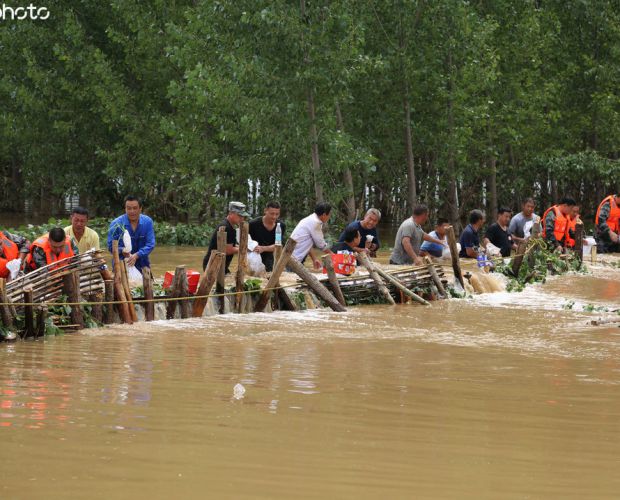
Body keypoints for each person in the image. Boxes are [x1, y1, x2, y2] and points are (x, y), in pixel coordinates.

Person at [107, 196, 156, 272]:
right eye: (129, 208)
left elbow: (150, 244)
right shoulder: (116, 224)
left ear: (140, 209)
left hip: (142, 264)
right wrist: (122, 250)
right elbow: (110, 246)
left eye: (135, 208)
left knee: (145, 279)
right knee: (121, 278)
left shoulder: (147, 222)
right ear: (125, 209)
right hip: (122, 265)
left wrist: (137, 255)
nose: (132, 211)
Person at [203, 201, 251, 274]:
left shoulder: (229, 226)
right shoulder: (227, 227)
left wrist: (246, 247)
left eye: (243, 216)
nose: (242, 218)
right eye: (239, 216)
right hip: (214, 265)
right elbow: (228, 250)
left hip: (220, 265)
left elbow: (231, 246)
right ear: (231, 213)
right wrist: (244, 249)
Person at [290, 202, 334, 269]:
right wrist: (334, 255)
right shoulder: (316, 223)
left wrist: (314, 259)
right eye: (329, 214)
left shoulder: (311, 218)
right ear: (324, 215)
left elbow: (307, 242)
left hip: (292, 257)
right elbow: (321, 245)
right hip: (294, 259)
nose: (329, 217)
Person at [248, 201, 286, 272]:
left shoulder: (281, 226)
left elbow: (279, 245)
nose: (274, 217)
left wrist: (263, 248)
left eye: (277, 214)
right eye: (272, 213)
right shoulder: (253, 224)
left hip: (271, 260)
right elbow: (246, 243)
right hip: (254, 258)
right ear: (265, 211)